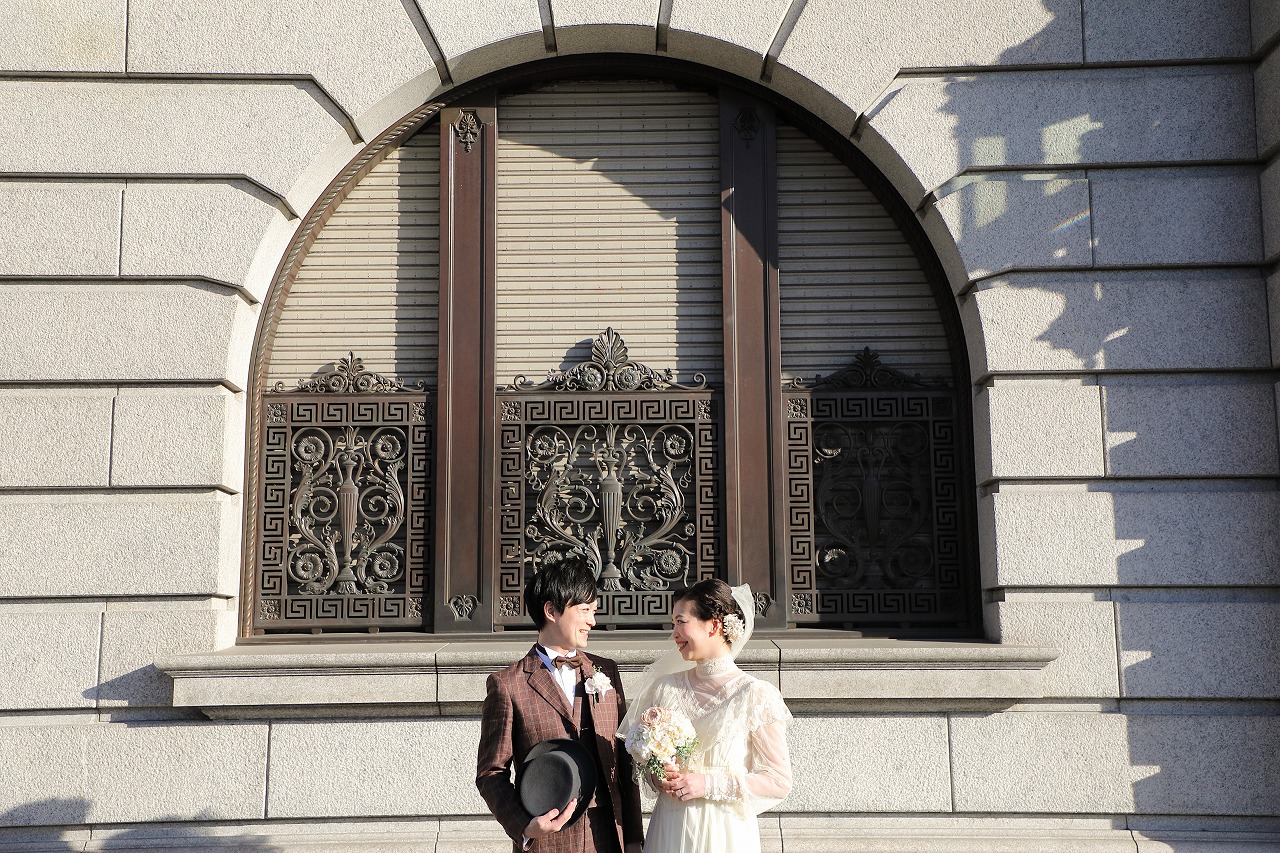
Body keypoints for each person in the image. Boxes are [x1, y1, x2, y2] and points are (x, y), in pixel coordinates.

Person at [476, 562, 645, 853]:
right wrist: (525, 828)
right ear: (551, 611)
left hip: (608, 834)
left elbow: (625, 758)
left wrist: (633, 840)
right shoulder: (508, 684)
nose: (592, 621)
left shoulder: (605, 671)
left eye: (594, 611)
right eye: (584, 610)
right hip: (548, 842)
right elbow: (491, 772)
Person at [621, 579, 793, 853]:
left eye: (681, 622)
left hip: (725, 833)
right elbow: (644, 769)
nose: (674, 633)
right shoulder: (665, 688)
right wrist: (658, 777)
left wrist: (708, 783)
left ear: (713, 625)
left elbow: (778, 781)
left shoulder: (756, 694)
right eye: (673, 624)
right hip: (671, 828)